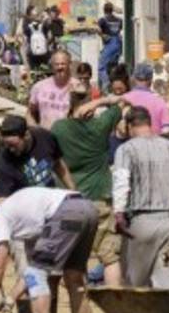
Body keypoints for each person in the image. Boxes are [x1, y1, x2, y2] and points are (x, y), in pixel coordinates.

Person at [50, 80, 126, 288]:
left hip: (70, 201)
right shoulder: (100, 126)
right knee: (109, 257)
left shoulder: (59, 128)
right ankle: (114, 304)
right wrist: (100, 101)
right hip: (100, 198)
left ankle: (80, 308)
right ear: (90, 102)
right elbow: (121, 102)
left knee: (75, 260)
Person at [113, 106, 169, 287]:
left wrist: (119, 214)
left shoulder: (126, 149)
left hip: (141, 222)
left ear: (130, 126)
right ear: (149, 123)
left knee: (135, 284)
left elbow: (121, 183)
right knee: (168, 283)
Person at [0, 114, 74, 196]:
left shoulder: (45, 137)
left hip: (49, 197)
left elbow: (58, 164)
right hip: (25, 204)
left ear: (26, 135)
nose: (11, 149)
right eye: (6, 145)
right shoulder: (5, 160)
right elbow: (2, 197)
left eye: (14, 145)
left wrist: (73, 191)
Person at [122, 62, 169, 134]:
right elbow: (167, 130)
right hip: (155, 143)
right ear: (151, 80)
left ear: (134, 78)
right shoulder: (160, 102)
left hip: (129, 144)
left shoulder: (123, 99)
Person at [29, 49, 74, 128]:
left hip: (67, 137)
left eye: (63, 64)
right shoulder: (39, 87)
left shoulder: (77, 88)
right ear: (52, 66)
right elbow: (30, 113)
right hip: (45, 135)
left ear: (70, 65)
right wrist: (35, 129)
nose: (60, 67)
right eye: (56, 64)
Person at [97, 1, 123, 89]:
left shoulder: (103, 20)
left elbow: (97, 29)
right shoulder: (119, 20)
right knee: (113, 67)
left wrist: (102, 35)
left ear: (104, 10)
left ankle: (106, 85)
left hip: (109, 44)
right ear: (112, 10)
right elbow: (120, 30)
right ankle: (115, 85)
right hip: (118, 44)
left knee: (102, 67)